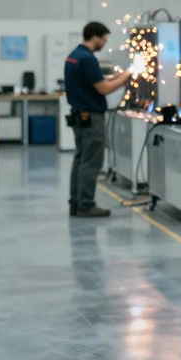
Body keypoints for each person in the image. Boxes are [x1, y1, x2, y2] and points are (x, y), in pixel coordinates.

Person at [64, 21, 130, 218]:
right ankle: (86, 205)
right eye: (103, 38)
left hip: (79, 117)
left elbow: (96, 82)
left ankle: (76, 203)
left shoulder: (74, 56)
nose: (105, 42)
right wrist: (127, 75)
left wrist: (115, 76)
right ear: (94, 37)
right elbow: (104, 89)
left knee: (80, 160)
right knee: (91, 163)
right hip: (91, 118)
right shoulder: (88, 59)